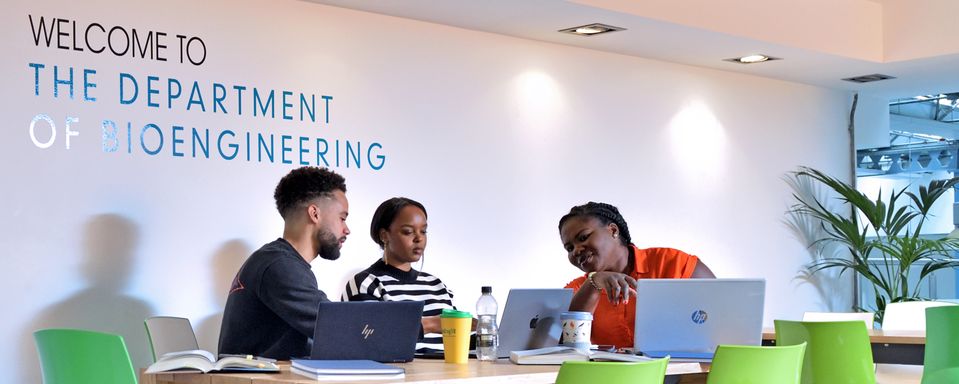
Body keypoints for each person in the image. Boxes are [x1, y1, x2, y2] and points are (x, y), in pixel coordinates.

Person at [218, 166, 350, 359]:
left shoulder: (275, 260)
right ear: (314, 214)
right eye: (342, 218)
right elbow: (337, 329)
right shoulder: (279, 266)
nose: (346, 230)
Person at [559, 202, 714, 348]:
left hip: (685, 372)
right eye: (569, 248)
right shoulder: (578, 290)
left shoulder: (672, 263)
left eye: (583, 237)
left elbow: (722, 312)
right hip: (616, 376)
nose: (577, 250)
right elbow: (560, 347)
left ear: (613, 230)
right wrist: (592, 285)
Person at [342, 197, 455, 353]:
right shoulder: (366, 283)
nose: (419, 238)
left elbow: (459, 344)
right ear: (384, 235)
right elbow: (367, 339)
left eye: (423, 231)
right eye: (408, 231)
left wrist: (483, 332)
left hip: (447, 376)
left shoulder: (436, 285)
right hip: (396, 375)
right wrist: (432, 325)